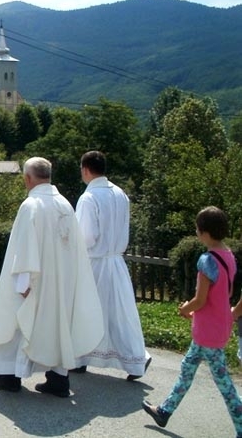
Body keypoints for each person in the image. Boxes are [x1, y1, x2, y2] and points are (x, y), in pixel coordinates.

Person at [0, 157, 104, 397]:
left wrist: (23, 284)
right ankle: (59, 379)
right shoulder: (65, 204)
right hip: (62, 281)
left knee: (18, 322)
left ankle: (9, 376)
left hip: (35, 281)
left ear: (28, 178)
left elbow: (25, 248)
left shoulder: (31, 205)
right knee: (59, 326)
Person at [143, 207, 242, 436]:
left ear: (205, 232)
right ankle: (164, 411)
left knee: (224, 383)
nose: (196, 232)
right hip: (217, 324)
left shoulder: (207, 260)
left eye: (198, 228)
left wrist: (185, 308)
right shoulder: (229, 255)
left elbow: (200, 300)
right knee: (187, 368)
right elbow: (221, 295)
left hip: (208, 330)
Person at [71, 151, 151, 380]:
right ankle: (136, 358)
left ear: (86, 169)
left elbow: (86, 237)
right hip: (116, 261)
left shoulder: (89, 198)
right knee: (120, 314)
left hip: (95, 263)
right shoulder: (120, 194)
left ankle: (80, 358)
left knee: (87, 312)